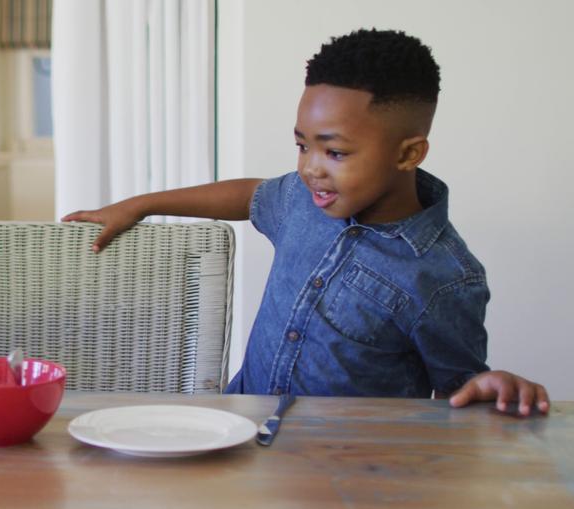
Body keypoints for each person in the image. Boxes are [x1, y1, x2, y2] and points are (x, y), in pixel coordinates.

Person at [64, 29, 548, 415]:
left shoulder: (444, 277)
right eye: (303, 145)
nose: (310, 167)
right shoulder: (302, 200)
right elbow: (249, 194)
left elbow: (459, 389)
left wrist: (485, 385)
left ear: (408, 153)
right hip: (240, 426)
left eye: (335, 151)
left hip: (348, 473)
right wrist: (142, 204)